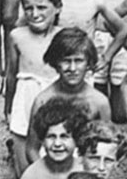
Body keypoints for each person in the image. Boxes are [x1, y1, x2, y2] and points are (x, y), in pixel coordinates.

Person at [27, 28, 111, 162]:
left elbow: (106, 147)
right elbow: (32, 149)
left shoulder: (100, 102)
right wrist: (45, 171)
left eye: (78, 61)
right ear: (56, 63)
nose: (72, 68)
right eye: (66, 61)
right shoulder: (43, 100)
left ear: (88, 63)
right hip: (51, 163)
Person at [5, 0, 62, 176]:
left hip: (56, 99)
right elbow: (11, 74)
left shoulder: (64, 36)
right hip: (26, 98)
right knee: (26, 170)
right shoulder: (17, 36)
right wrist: (8, 108)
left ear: (57, 7)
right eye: (28, 8)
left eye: (42, 7)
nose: (35, 14)